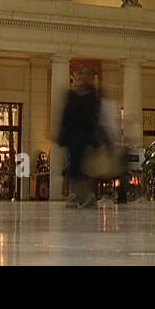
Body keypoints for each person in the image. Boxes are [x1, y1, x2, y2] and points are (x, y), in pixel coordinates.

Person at [57, 66, 102, 207]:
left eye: (89, 74)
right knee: (75, 166)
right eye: (84, 74)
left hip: (85, 135)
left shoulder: (92, 95)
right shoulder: (72, 94)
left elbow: (95, 116)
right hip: (73, 135)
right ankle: (78, 195)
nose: (86, 77)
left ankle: (81, 195)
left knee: (80, 166)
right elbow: (66, 114)